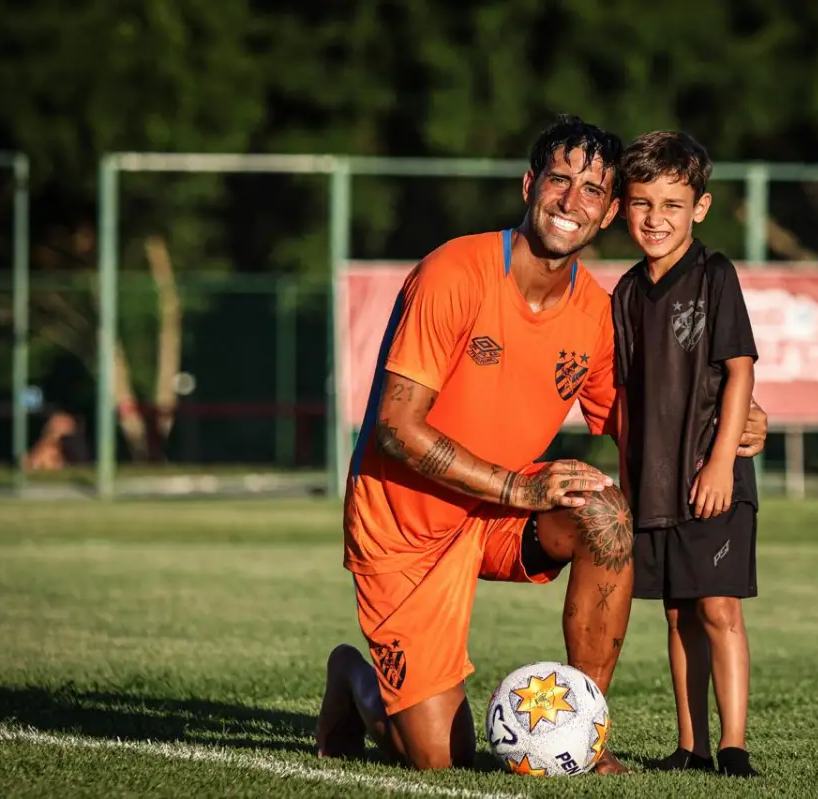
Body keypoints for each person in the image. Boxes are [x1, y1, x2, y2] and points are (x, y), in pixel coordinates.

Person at [315, 115, 770, 774]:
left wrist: (744, 420)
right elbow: (395, 425)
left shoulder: (594, 311)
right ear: (531, 185)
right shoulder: (454, 271)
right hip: (406, 528)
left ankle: (581, 733)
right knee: (443, 758)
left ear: (609, 211)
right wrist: (516, 487)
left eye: (591, 189)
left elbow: (642, 419)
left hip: (497, 516)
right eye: (559, 179)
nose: (570, 201)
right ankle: (355, 682)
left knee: (607, 513)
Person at [611, 131, 761, 778]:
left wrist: (723, 460)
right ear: (622, 207)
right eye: (642, 203)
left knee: (718, 605)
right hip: (654, 482)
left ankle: (733, 746)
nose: (656, 218)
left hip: (711, 474)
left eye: (672, 204)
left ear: (699, 207)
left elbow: (740, 371)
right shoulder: (622, 293)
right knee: (678, 612)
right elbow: (620, 396)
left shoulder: (715, 275)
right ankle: (691, 744)